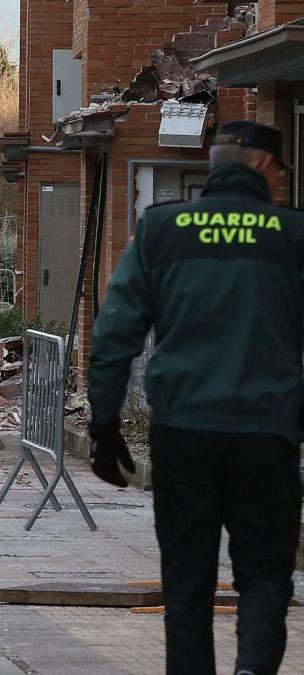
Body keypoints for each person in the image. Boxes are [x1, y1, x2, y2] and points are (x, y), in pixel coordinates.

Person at [88, 120, 303, 675]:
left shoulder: (162, 231)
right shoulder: (292, 235)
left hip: (183, 433)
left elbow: (115, 333)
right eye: (281, 171)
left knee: (186, 584)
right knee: (264, 577)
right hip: (267, 434)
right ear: (261, 165)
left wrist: (105, 425)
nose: (281, 182)